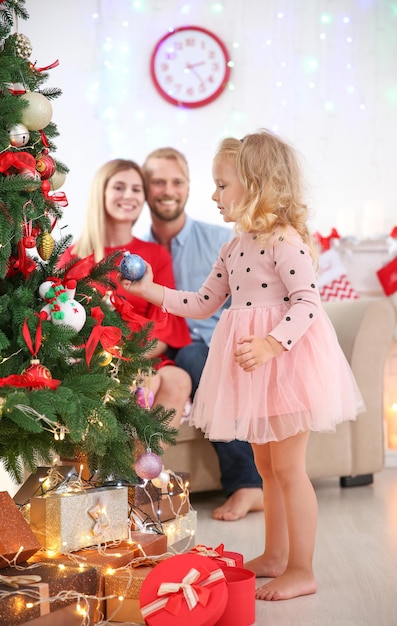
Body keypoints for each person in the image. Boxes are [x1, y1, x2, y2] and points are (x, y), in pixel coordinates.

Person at [119, 130, 365, 601]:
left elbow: (307, 302)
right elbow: (203, 301)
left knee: (290, 469)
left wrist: (273, 345)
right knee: (266, 466)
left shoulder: (284, 241)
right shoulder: (233, 248)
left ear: (256, 185)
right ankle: (275, 556)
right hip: (253, 369)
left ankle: (301, 568)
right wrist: (151, 291)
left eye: (221, 185)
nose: (213, 195)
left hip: (287, 364)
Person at [142, 146, 263, 522]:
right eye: (158, 181)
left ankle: (247, 484)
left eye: (177, 181)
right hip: (167, 349)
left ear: (189, 187)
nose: (168, 189)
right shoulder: (138, 251)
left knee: (197, 357)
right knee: (182, 360)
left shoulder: (220, 239)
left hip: (216, 344)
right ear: (146, 188)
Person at [59, 158, 192, 434]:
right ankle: (123, 472)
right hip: (92, 362)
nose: (129, 196)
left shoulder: (155, 256)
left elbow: (165, 327)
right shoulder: (73, 258)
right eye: (119, 187)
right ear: (102, 193)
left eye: (136, 189)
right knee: (145, 383)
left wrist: (133, 359)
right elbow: (62, 326)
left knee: (178, 379)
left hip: (144, 357)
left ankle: (146, 473)